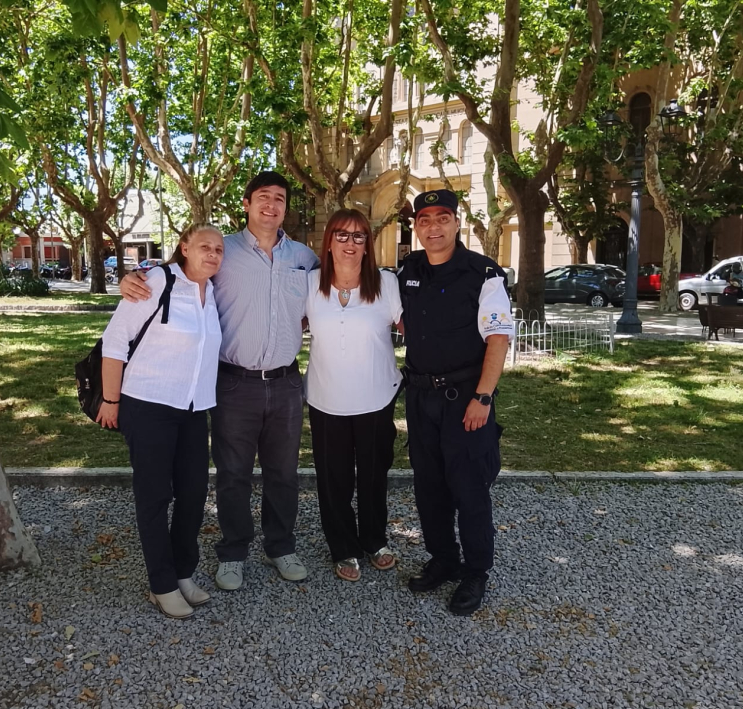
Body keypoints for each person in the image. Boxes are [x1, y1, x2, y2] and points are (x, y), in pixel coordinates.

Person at [119, 172, 319, 591]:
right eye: (263, 197)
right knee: (233, 474)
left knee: (283, 472)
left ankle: (281, 546)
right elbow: (178, 269)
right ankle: (233, 551)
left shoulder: (305, 257)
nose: (271, 205)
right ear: (246, 204)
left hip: (284, 383)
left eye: (279, 198)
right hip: (233, 383)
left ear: (286, 207)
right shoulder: (221, 249)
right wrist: (135, 272)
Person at [97, 224, 224, 619]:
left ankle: (183, 571)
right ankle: (161, 583)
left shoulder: (213, 292)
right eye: (205, 246)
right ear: (184, 247)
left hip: (192, 409)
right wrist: (110, 399)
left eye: (219, 249)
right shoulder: (156, 281)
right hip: (148, 404)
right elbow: (115, 341)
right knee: (154, 497)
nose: (213, 254)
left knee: (193, 493)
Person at [398, 189, 514, 616]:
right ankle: (443, 559)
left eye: (442, 218)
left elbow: (498, 339)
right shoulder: (409, 270)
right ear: (417, 227)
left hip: (467, 399)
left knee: (469, 489)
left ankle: (476, 570)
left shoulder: (482, 273)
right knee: (429, 487)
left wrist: (483, 397)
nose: (433, 227)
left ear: (457, 222)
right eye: (424, 220)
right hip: (421, 398)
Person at [305, 209, 402, 582]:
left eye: (359, 236)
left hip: (377, 397)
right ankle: (343, 546)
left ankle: (374, 540)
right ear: (328, 243)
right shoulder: (310, 284)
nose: (350, 243)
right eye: (342, 235)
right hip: (326, 397)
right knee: (334, 478)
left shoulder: (386, 284)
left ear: (368, 245)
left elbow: (417, 324)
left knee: (374, 474)